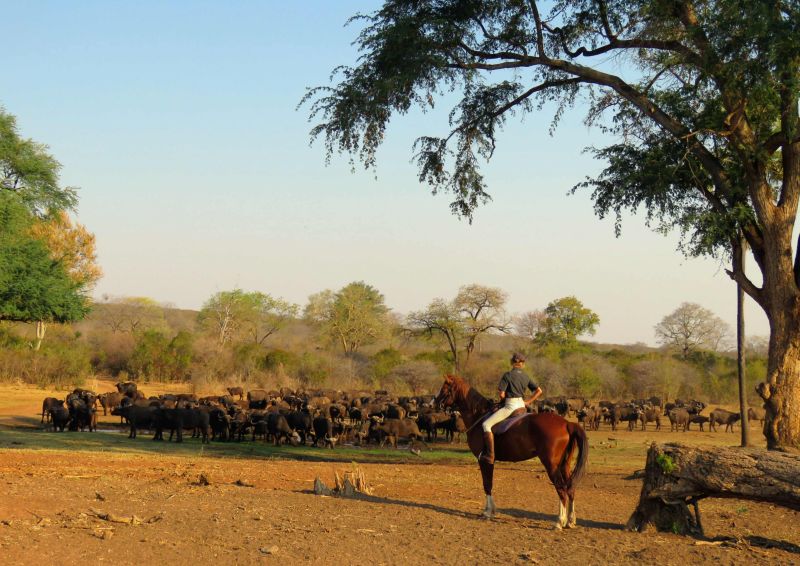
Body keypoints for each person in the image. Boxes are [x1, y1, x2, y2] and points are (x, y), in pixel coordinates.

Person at [480, 352, 542, 464]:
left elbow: (502, 394)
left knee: (486, 425)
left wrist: (503, 399)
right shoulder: (526, 376)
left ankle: (490, 455)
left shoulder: (507, 375)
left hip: (510, 406)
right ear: (523, 364)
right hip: (522, 406)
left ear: (512, 363)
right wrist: (528, 401)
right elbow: (539, 391)